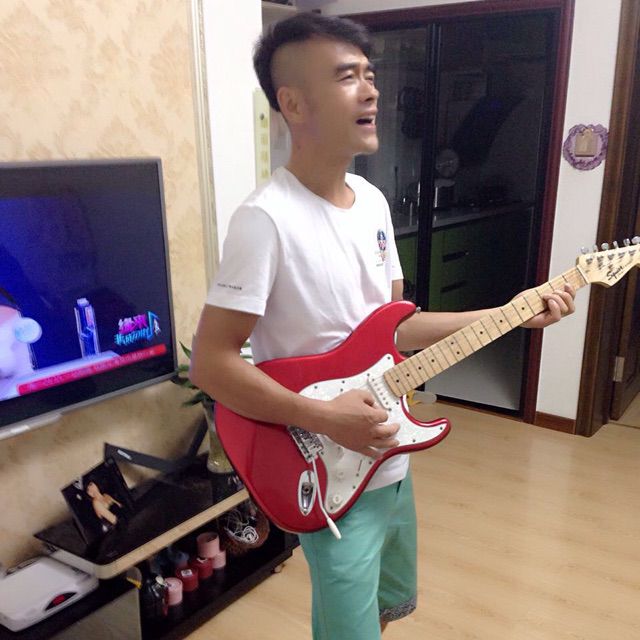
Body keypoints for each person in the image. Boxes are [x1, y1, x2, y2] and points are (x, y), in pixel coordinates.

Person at [190, 13, 576, 639]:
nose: (372, 90)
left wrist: (510, 314)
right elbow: (212, 363)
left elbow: (393, 330)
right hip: (321, 466)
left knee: (385, 607)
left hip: (388, 455)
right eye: (347, 77)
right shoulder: (265, 220)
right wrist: (321, 417)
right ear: (294, 103)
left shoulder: (370, 201)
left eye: (370, 74)